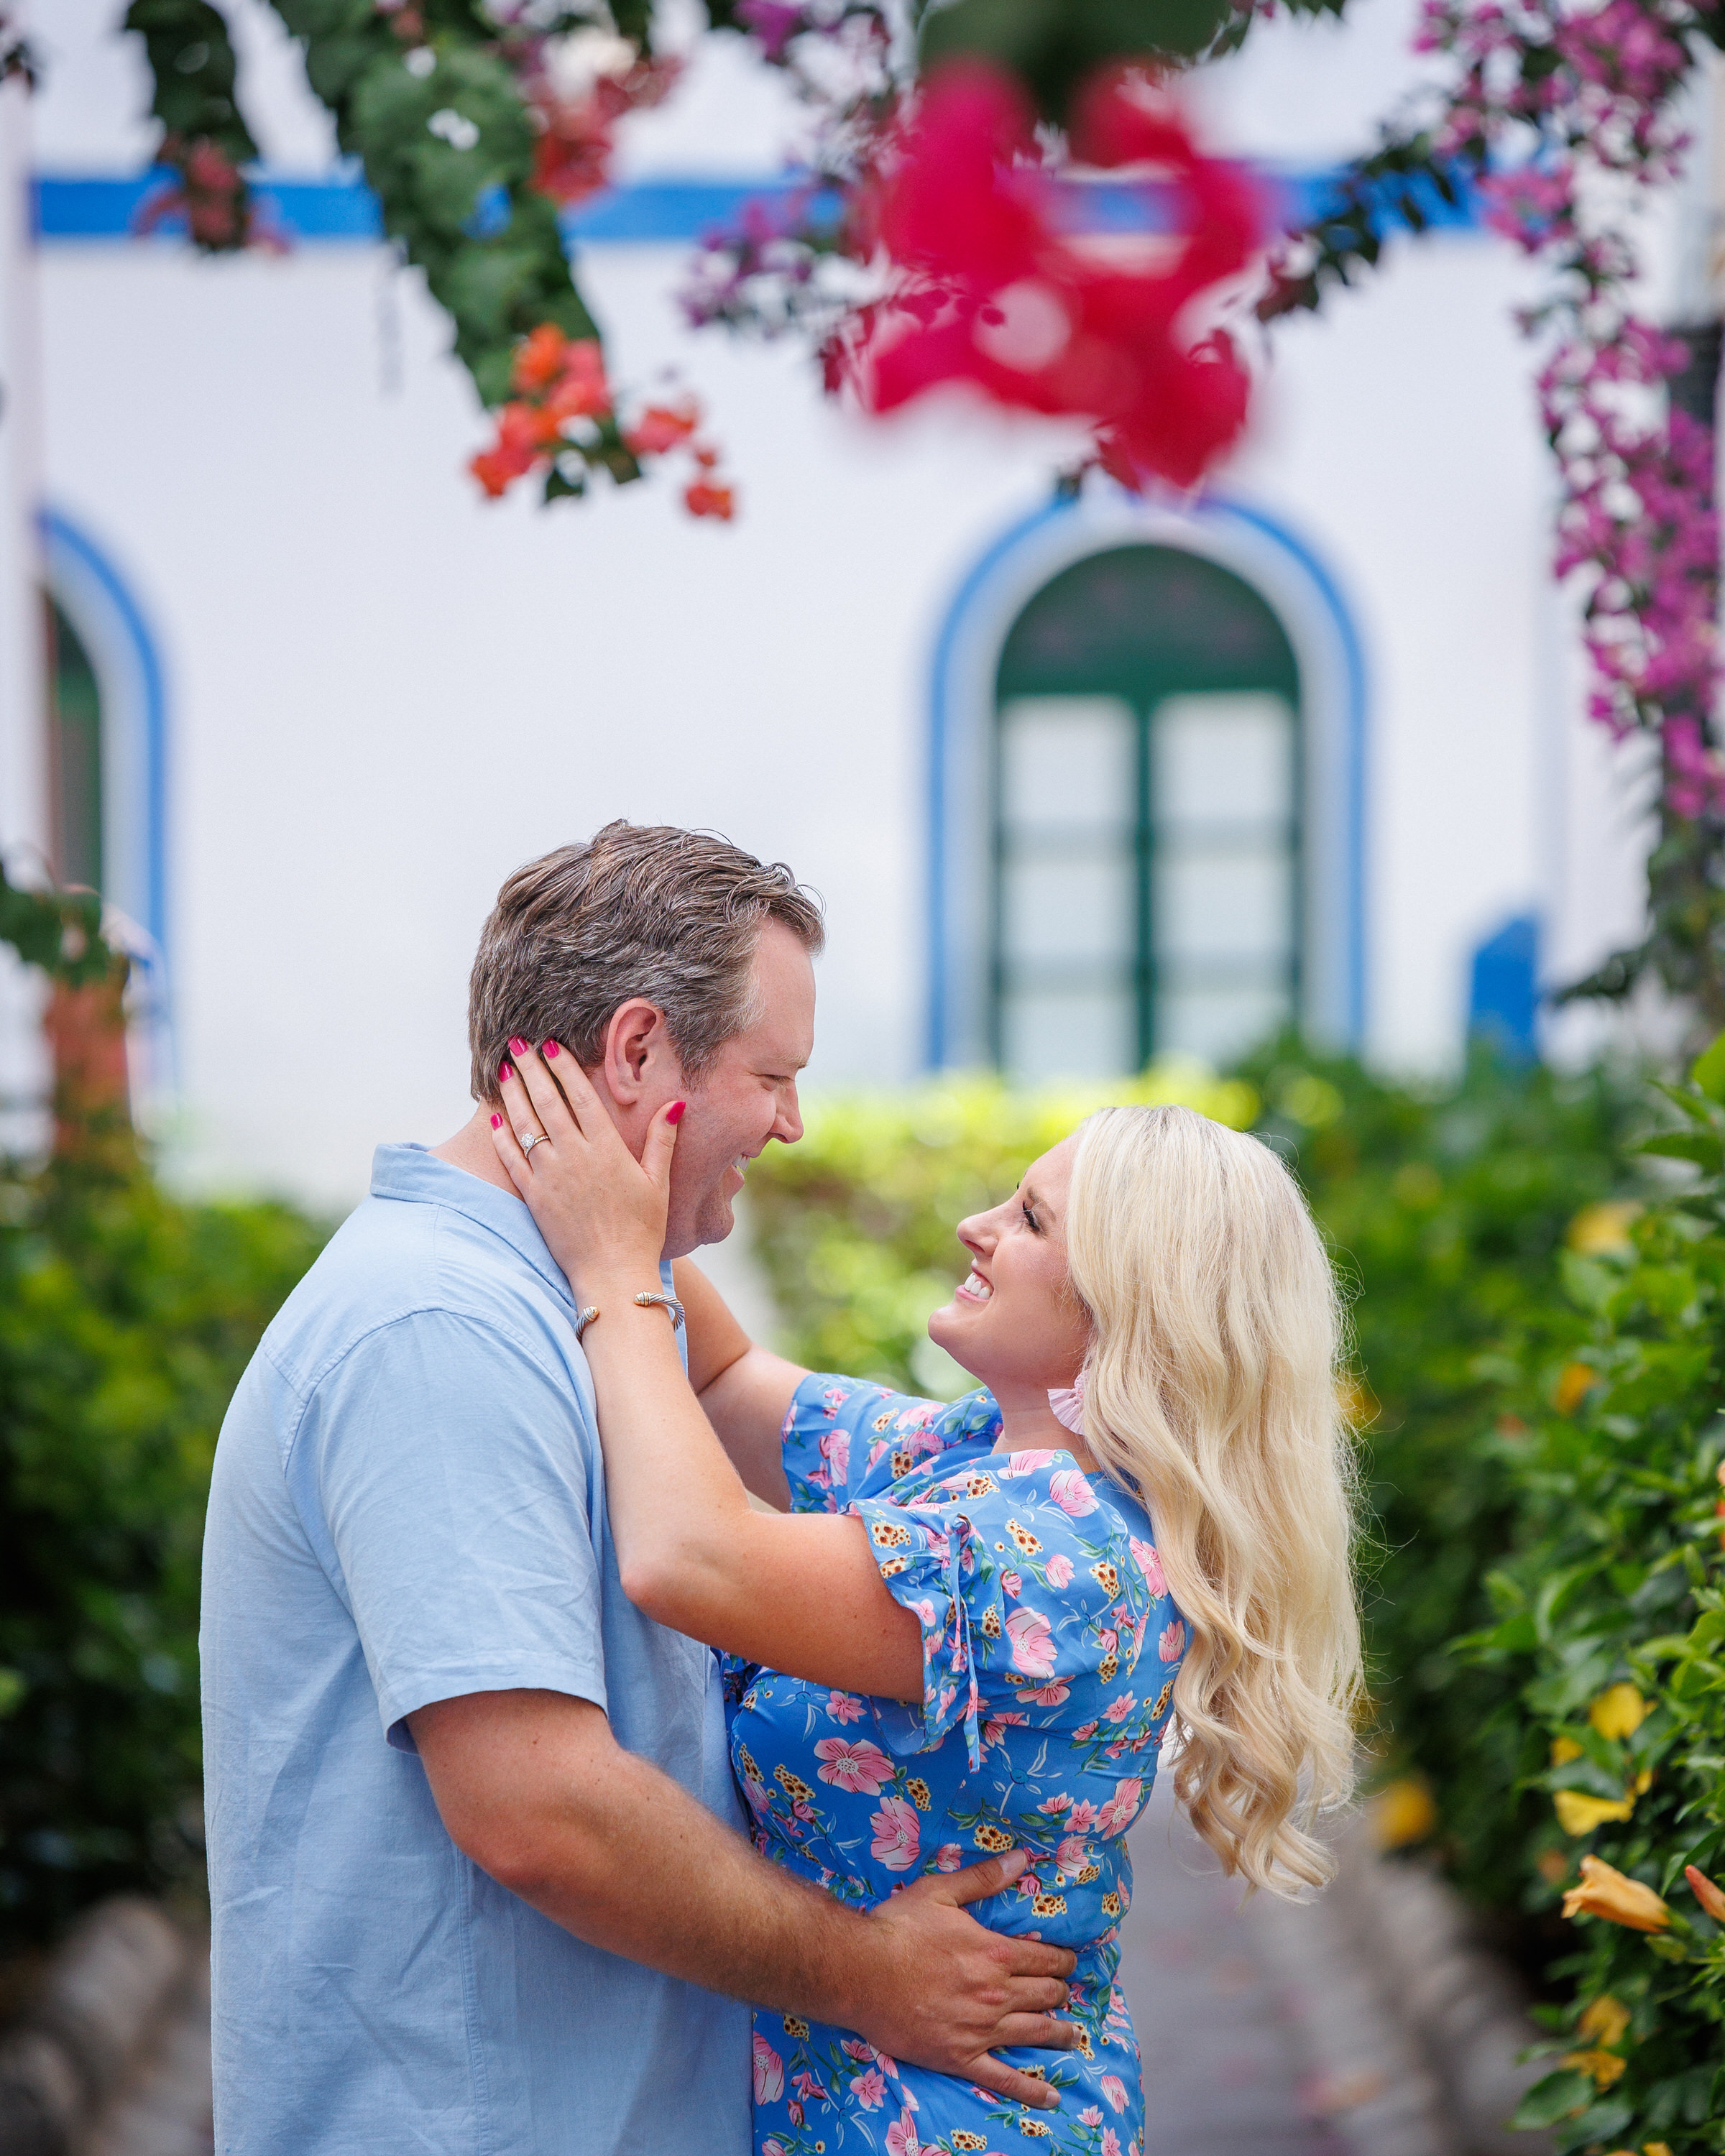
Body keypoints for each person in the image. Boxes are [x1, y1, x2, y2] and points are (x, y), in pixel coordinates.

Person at [200, 823, 1078, 2156]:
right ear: (634, 1056)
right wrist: (866, 1975)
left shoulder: (594, 1296)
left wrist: (626, 1230)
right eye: (772, 1075)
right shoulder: (439, 1332)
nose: (792, 1123)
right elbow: (536, 1811)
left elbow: (731, 1382)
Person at [485, 1049, 1366, 2156]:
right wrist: (624, 1172)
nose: (976, 1226)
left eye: (1032, 1221)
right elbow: (719, 1383)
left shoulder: (1058, 1552)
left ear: (1132, 1309)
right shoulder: (973, 1454)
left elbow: (689, 1560)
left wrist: (612, 1265)